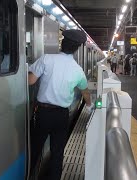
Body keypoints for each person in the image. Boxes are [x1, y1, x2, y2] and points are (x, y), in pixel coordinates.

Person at [28, 29, 93, 180]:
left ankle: (30, 175)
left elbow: (31, 81)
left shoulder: (46, 59)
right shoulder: (78, 70)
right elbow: (85, 93)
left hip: (43, 114)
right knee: (57, 152)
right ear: (76, 49)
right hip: (62, 115)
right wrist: (89, 106)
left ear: (62, 44)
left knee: (35, 149)